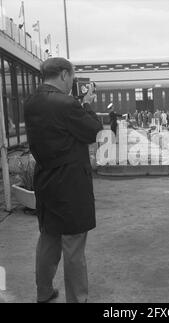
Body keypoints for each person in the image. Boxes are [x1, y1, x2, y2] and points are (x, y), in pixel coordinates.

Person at [24, 57, 102, 303]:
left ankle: (43, 292)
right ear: (64, 75)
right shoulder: (67, 104)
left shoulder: (31, 102)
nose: (73, 82)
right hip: (70, 183)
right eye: (73, 77)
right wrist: (87, 104)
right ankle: (77, 299)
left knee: (49, 237)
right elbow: (92, 131)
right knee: (74, 244)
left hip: (46, 179)